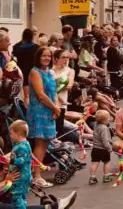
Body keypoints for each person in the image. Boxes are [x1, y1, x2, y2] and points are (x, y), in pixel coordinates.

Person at [27, 47, 59, 188]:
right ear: (38, 57)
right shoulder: (35, 72)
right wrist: (54, 108)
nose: (46, 58)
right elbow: (40, 95)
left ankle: (36, 174)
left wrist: (56, 108)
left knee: (45, 143)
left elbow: (54, 92)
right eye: (43, 56)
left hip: (50, 110)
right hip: (39, 111)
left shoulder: (50, 72)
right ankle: (37, 176)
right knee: (40, 144)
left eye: (49, 56)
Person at [5, 120, 32, 208]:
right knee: (20, 196)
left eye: (11, 134)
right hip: (21, 175)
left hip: (21, 177)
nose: (10, 136)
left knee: (17, 196)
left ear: (19, 133)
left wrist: (11, 161)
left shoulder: (22, 146)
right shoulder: (22, 144)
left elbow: (23, 160)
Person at [12, 29, 38, 107]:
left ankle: (25, 110)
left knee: (25, 95)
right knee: (33, 95)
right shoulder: (36, 47)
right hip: (32, 72)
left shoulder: (17, 47)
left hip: (21, 72)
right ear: (32, 36)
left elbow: (14, 59)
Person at [52, 50, 75, 136]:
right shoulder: (50, 71)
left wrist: (55, 87)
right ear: (56, 58)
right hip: (50, 101)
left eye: (67, 57)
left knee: (59, 126)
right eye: (63, 57)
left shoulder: (70, 70)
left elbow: (70, 85)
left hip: (61, 103)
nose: (66, 59)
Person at [89, 110, 112, 185]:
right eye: (108, 118)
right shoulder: (104, 128)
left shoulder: (96, 125)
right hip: (103, 149)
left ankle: (92, 177)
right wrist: (109, 148)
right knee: (106, 162)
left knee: (95, 163)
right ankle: (106, 176)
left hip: (95, 149)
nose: (109, 120)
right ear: (105, 120)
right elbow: (104, 140)